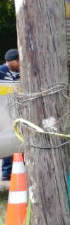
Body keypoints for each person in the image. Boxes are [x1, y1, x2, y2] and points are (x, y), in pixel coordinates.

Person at [0, 48, 19, 180]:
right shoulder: (0, 72)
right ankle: (7, 173)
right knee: (6, 140)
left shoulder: (22, 73)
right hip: (2, 112)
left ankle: (18, 170)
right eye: (18, 61)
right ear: (10, 61)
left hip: (17, 111)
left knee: (17, 139)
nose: (20, 63)